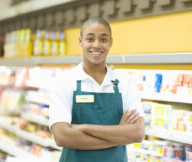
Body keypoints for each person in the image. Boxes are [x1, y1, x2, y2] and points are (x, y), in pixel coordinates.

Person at [49, 17, 145, 162]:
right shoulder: (64, 82)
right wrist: (119, 133)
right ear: (80, 41)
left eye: (103, 39)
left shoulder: (125, 83)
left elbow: (137, 133)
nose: (96, 45)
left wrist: (84, 128)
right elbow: (62, 137)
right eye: (90, 39)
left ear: (111, 42)